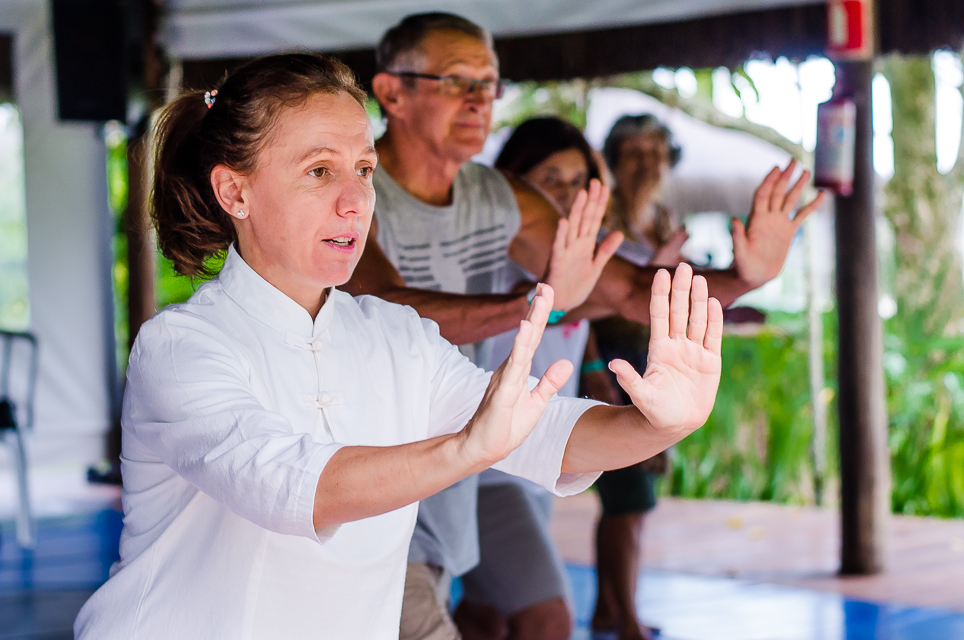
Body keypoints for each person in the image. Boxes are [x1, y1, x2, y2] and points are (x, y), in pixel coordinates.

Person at [72, 53, 725, 640]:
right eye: (319, 170)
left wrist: (661, 423)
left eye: (363, 168)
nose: (356, 200)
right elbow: (294, 486)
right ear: (234, 191)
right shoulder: (180, 348)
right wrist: (467, 447)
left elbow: (545, 431)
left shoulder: (396, 336)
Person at [343, 12, 824, 640]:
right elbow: (382, 306)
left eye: (488, 84)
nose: (478, 100)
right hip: (358, 474)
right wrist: (538, 304)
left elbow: (625, 290)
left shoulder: (501, 196)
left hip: (466, 465)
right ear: (391, 93)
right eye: (456, 80)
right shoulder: (348, 183)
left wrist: (743, 276)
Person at [454, 117, 606, 640]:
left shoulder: (580, 262)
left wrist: (593, 371)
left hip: (536, 463)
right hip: (488, 471)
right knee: (548, 619)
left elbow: (585, 318)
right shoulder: (491, 263)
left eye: (578, 179)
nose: (568, 193)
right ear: (514, 184)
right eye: (551, 178)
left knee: (484, 615)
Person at [587, 114, 690, 640]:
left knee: (637, 500)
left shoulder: (663, 218)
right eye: (635, 152)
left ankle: (612, 608)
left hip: (654, 364)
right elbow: (577, 304)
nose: (647, 163)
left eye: (656, 152)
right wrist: (590, 369)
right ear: (613, 157)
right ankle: (623, 618)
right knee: (626, 501)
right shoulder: (601, 218)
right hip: (613, 364)